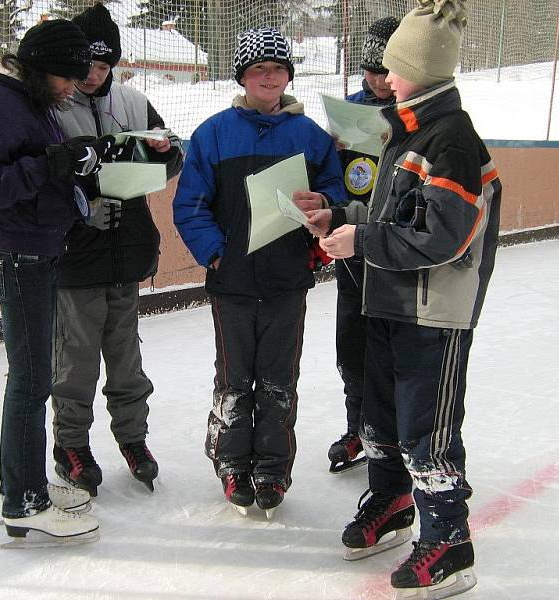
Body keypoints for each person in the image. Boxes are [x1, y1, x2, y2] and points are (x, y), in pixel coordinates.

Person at [317, 1, 500, 597]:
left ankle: (449, 540)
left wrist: (360, 238)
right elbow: (393, 214)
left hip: (433, 313)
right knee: (384, 419)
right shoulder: (409, 130)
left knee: (429, 429)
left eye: (393, 67)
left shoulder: (453, 141)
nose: (384, 77)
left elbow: (443, 236)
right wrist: (338, 216)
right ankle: (394, 499)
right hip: (390, 300)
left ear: (420, 70)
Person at [0, 19, 126, 542]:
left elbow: (38, 166)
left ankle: (28, 484)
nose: (74, 89)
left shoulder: (28, 97)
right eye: (67, 79)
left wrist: (77, 160)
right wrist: (53, 163)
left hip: (39, 249)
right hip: (18, 254)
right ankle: (22, 500)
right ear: (40, 68)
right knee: (30, 381)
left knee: (35, 377)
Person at [173, 27, 345, 516]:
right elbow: (190, 205)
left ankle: (272, 467)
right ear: (243, 77)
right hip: (232, 282)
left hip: (288, 278)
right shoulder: (213, 133)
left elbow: (335, 192)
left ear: (288, 75)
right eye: (257, 70)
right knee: (234, 377)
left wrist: (326, 202)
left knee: (277, 378)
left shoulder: (310, 137)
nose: (267, 77)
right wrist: (215, 252)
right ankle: (232, 463)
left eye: (276, 69)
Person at [50, 3, 184, 497]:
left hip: (127, 251)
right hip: (75, 256)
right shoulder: (53, 103)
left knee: (127, 360)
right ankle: (72, 445)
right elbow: (42, 178)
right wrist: (80, 206)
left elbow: (170, 158)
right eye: (86, 65)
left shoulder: (130, 101)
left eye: (104, 66)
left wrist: (167, 154)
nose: (92, 76)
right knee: (77, 360)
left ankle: (133, 438)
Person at [322, 16, 400, 474]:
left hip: (393, 245)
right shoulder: (350, 110)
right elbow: (329, 177)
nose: (376, 81)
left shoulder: (414, 112)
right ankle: (357, 428)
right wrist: (327, 149)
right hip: (351, 243)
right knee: (351, 343)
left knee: (389, 346)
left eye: (383, 71)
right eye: (369, 71)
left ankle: (386, 436)